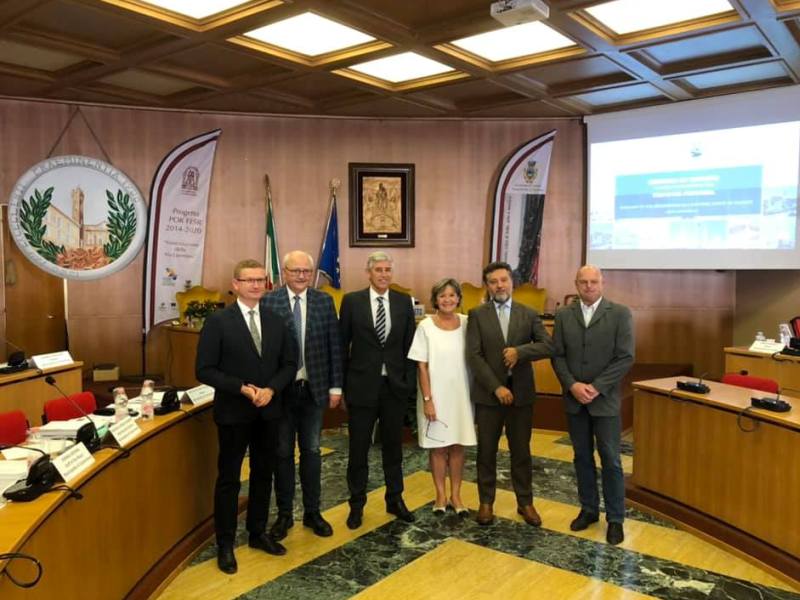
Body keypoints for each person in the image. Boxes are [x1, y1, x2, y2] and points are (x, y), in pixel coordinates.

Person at [196, 259, 297, 574]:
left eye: (260, 280)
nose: (255, 285)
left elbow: (290, 364)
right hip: (233, 412)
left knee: (263, 473)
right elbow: (204, 370)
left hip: (269, 411)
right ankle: (225, 543)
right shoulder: (218, 322)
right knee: (228, 479)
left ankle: (257, 532)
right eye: (248, 280)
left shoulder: (276, 319)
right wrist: (240, 388)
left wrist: (272, 389)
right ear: (235, 284)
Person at [262, 250, 343, 541]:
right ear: (284, 272)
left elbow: (334, 345)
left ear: (312, 274)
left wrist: (336, 387)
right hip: (281, 392)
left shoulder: (323, 301)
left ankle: (312, 512)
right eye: (295, 271)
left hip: (314, 389)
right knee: (282, 453)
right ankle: (285, 514)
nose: (300, 276)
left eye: (306, 272)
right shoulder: (269, 301)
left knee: (311, 451)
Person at [551, 265, 634, 546]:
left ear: (603, 283)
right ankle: (589, 510)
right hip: (574, 400)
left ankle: (615, 519)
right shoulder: (563, 315)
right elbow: (558, 356)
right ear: (576, 284)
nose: (588, 286)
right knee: (581, 457)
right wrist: (573, 385)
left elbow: (625, 357)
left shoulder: (620, 314)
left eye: (593, 281)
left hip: (605, 400)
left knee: (610, 460)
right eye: (583, 282)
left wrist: (597, 387)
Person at [466, 261, 554, 527]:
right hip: (489, 396)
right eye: (493, 282)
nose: (499, 285)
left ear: (511, 282)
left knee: (521, 452)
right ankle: (486, 503)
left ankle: (525, 503)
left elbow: (547, 346)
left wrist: (521, 352)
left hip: (521, 397)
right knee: (486, 452)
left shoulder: (528, 314)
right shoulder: (477, 314)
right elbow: (474, 355)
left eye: (503, 280)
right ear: (488, 286)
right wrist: (497, 387)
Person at [340, 251, 416, 529]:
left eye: (387, 270)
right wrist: (343, 384)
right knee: (358, 448)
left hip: (394, 388)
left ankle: (395, 499)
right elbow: (341, 345)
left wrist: (408, 382)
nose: (384, 274)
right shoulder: (352, 302)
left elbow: (410, 346)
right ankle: (356, 504)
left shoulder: (403, 302)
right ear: (368, 273)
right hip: (361, 387)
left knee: (393, 448)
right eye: (378, 270)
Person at [408, 278, 476, 515]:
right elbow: (422, 366)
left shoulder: (469, 323)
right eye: (442, 296)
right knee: (437, 447)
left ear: (458, 299)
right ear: (435, 299)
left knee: (457, 446)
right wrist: (428, 400)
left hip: (462, 396)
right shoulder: (425, 326)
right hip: (434, 396)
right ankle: (440, 495)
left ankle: (456, 495)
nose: (447, 300)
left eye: (452, 295)